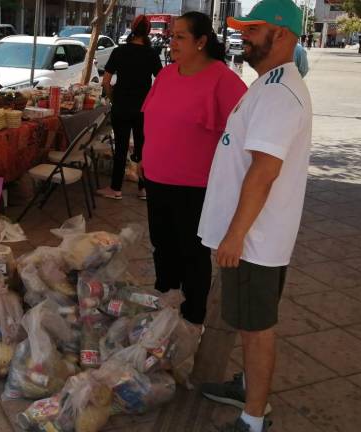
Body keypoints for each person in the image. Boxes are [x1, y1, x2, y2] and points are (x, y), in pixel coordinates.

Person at [198, 0, 313, 430]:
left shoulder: (281, 93)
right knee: (251, 321)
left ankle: (253, 418)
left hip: (254, 240)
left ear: (281, 34)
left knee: (255, 327)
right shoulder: (270, 83)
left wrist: (235, 235)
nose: (243, 36)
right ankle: (250, 387)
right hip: (253, 235)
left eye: (253, 29)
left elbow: (264, 172)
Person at [139, 11, 247, 325]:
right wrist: (144, 157)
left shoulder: (223, 79)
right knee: (162, 245)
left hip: (196, 185)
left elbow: (246, 130)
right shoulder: (166, 74)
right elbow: (152, 118)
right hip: (158, 178)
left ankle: (192, 314)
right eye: (171, 36)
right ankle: (166, 302)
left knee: (192, 251)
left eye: (180, 36)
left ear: (201, 42)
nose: (172, 42)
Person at [97, 15, 162, 200]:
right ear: (148, 32)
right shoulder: (152, 54)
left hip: (121, 107)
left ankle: (115, 189)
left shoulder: (119, 52)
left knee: (121, 147)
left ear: (132, 29)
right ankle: (143, 189)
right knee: (143, 148)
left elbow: (106, 81)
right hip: (143, 109)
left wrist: (113, 98)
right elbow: (162, 81)